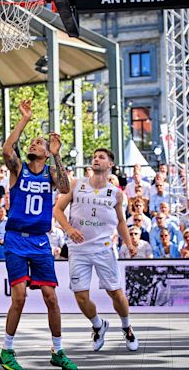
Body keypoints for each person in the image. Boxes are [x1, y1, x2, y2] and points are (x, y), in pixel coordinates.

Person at [0, 99, 76, 370]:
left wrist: (57, 154)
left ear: (45, 152)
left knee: (50, 297)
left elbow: (65, 188)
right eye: (32, 142)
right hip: (16, 238)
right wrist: (25, 119)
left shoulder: (50, 173)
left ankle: (57, 351)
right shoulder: (18, 169)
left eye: (38, 143)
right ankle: (7, 350)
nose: (33, 144)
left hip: (41, 241)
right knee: (19, 296)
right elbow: (7, 149)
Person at [53, 148, 139, 354]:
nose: (96, 159)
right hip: (78, 250)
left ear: (110, 165)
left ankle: (127, 327)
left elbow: (120, 221)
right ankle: (99, 326)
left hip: (103, 249)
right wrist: (69, 229)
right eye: (94, 156)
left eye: (101, 157)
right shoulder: (76, 185)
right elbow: (57, 210)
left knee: (115, 293)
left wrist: (129, 243)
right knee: (81, 297)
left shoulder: (116, 194)